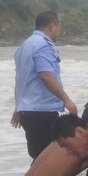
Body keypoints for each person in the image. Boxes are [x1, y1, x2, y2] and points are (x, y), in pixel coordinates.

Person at [11, 11, 77, 159]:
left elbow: (21, 80)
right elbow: (46, 76)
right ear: (53, 27)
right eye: (59, 27)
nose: (59, 31)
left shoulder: (24, 46)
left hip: (28, 110)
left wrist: (18, 107)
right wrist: (67, 100)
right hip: (41, 110)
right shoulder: (43, 46)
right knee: (46, 156)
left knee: (39, 154)